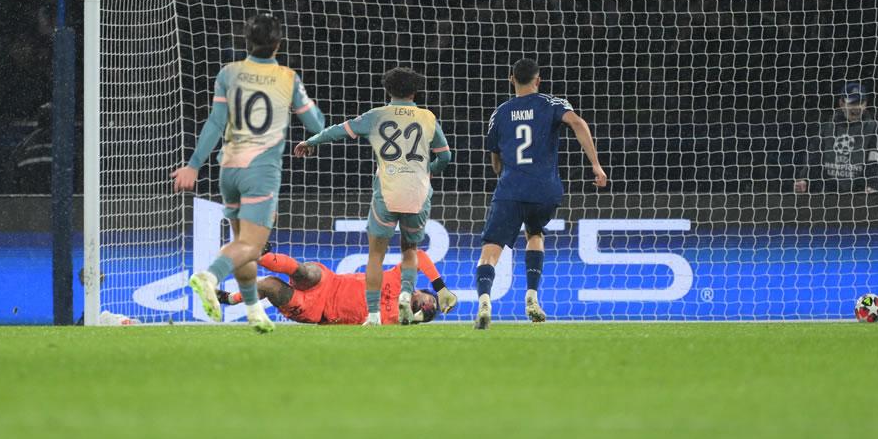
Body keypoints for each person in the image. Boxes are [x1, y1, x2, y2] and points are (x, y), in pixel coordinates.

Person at [171, 13, 325, 333]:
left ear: (247, 41)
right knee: (252, 246)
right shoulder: (287, 77)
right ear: (278, 44)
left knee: (243, 243)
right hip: (261, 172)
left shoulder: (229, 73)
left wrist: (193, 165)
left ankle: (254, 310)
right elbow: (316, 124)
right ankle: (209, 276)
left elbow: (214, 123)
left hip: (228, 169)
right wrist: (311, 136)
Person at [295, 67, 452, 326]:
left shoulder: (376, 116)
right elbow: (445, 156)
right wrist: (428, 171)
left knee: (375, 255)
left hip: (387, 192)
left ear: (388, 90)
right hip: (417, 193)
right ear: (415, 91)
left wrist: (311, 142)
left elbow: (337, 131)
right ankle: (405, 293)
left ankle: (373, 315)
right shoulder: (428, 118)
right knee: (409, 250)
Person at [476, 58, 607, 329]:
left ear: (511, 79)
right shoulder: (552, 104)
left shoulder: (500, 112)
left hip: (511, 189)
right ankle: (533, 296)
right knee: (534, 233)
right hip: (545, 191)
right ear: (538, 80)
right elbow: (578, 123)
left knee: (491, 249)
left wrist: (504, 173)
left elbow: (495, 161)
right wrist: (595, 164)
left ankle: (485, 300)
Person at [216, 248, 457, 325]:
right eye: (431, 301)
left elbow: (400, 320)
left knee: (269, 286)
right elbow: (419, 256)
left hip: (317, 311)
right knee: (306, 270)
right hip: (328, 282)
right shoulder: (397, 278)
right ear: (419, 290)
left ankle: (229, 299)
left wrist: (414, 319)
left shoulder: (394, 321)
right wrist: (441, 287)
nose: (429, 307)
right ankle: (256, 252)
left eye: (430, 312)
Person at [794, 82, 878, 193]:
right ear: (841, 103)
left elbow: (875, 158)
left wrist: (873, 184)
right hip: (828, 190)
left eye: (860, 102)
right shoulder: (827, 126)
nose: (857, 107)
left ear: (865, 104)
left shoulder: (872, 127)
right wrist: (805, 179)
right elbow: (814, 155)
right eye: (852, 103)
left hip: (859, 192)